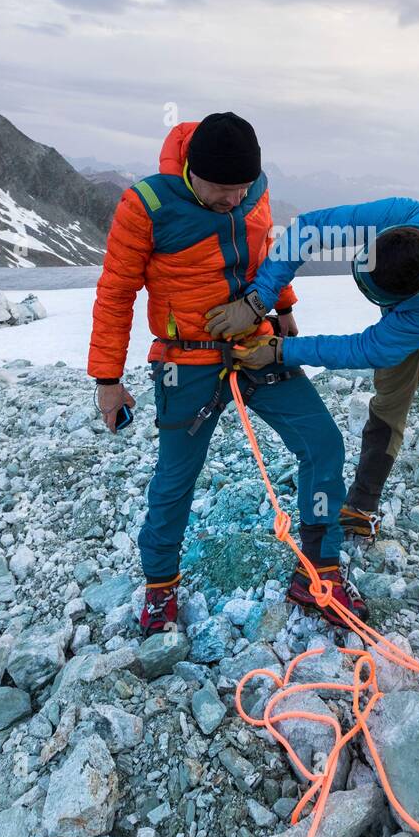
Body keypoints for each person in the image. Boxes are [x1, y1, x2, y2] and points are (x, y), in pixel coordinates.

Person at [87, 112, 369, 636]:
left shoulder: (253, 189)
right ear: (192, 170)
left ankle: (319, 572)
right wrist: (108, 379)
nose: (235, 201)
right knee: (176, 478)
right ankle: (160, 586)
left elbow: (264, 250)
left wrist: (283, 308)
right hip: (184, 360)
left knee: (323, 443)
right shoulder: (146, 205)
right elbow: (116, 292)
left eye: (243, 190)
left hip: (256, 345)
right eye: (223, 191)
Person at [206, 197, 419, 667]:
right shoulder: (408, 216)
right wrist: (258, 300)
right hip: (410, 317)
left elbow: (367, 347)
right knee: (387, 406)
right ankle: (361, 509)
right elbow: (307, 228)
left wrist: (279, 352)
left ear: (403, 302)